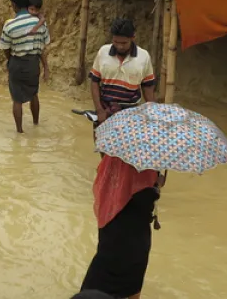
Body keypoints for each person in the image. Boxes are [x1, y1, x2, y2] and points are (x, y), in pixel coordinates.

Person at [80, 154, 160, 299]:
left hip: (113, 224)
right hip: (132, 232)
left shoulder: (115, 157)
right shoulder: (148, 163)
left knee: (100, 283)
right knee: (131, 276)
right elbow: (145, 195)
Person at [0, 0, 50, 133]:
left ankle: (19, 131)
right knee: (34, 94)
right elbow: (44, 45)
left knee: (17, 100)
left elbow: (5, 47)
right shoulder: (40, 23)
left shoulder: (10, 25)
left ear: (14, 5)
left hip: (17, 63)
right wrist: (45, 67)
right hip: (33, 63)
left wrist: (10, 60)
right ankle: (36, 124)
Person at [88, 18, 156, 124]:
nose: (120, 46)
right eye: (116, 42)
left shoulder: (144, 57)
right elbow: (94, 81)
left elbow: (147, 87)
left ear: (133, 38)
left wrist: (154, 113)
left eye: (124, 43)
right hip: (105, 112)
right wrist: (99, 110)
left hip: (130, 114)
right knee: (101, 135)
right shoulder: (103, 52)